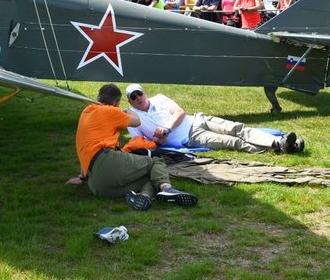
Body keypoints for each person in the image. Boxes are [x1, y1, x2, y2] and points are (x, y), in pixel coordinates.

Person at [68, 84, 199, 210]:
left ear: (99, 97)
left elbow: (85, 147)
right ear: (117, 102)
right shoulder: (111, 111)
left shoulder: (86, 111)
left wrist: (82, 177)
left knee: (151, 178)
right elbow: (136, 122)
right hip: (106, 161)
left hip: (95, 183)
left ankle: (144, 197)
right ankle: (167, 189)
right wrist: (130, 112)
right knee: (155, 163)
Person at [124, 84, 304, 153]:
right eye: (133, 97)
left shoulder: (160, 98)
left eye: (139, 94)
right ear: (129, 101)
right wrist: (159, 139)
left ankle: (279, 143)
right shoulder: (134, 118)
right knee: (232, 142)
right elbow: (141, 143)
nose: (138, 98)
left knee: (237, 128)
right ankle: (283, 147)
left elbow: (180, 112)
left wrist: (167, 129)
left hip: (197, 120)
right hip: (191, 138)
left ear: (144, 92)